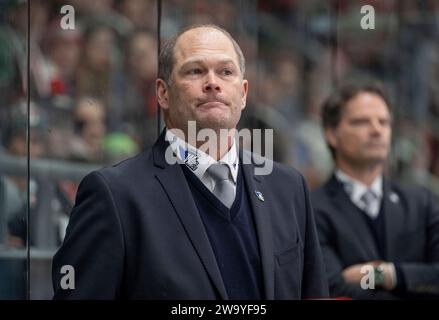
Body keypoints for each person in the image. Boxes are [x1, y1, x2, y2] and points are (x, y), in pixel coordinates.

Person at [52, 24, 328, 299]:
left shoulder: (288, 188)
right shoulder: (115, 194)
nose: (212, 82)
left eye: (226, 72)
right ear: (162, 93)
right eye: (195, 71)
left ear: (243, 93)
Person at [311, 81, 439, 299]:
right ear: (331, 134)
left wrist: (385, 275)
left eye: (384, 122)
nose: (376, 130)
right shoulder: (311, 209)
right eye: (361, 122)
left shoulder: (422, 203)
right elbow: (331, 288)